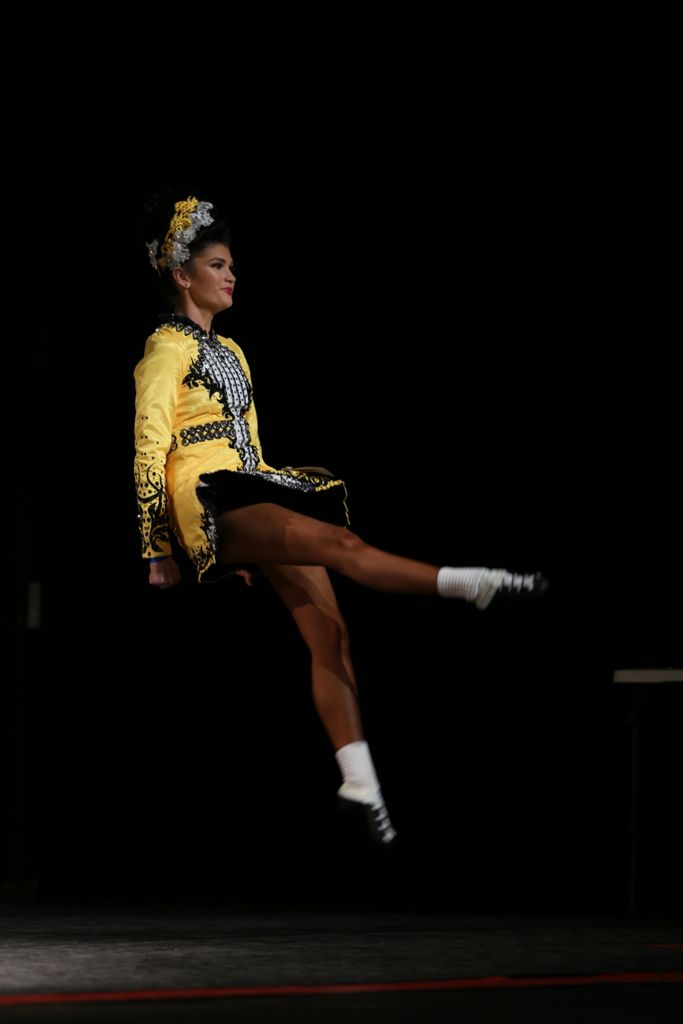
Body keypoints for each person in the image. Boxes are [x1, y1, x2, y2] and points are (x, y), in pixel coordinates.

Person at [134, 192, 549, 850]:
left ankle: (359, 779)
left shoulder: (233, 351)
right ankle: (472, 584)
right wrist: (158, 548)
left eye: (231, 265)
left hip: (248, 489)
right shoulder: (163, 348)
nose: (231, 274)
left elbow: (251, 446)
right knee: (340, 542)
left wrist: (249, 543)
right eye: (218, 265)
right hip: (204, 496)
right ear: (183, 276)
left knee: (330, 631)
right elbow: (149, 445)